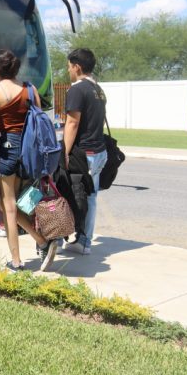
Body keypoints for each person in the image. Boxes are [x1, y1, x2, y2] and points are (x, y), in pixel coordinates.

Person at [0, 49, 58, 272]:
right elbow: (38, 118)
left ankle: (17, 260)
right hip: (30, 149)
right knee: (14, 203)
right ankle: (43, 240)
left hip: (8, 148)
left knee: (8, 205)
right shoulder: (30, 88)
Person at [63, 48, 108, 256]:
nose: (68, 70)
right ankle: (83, 239)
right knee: (91, 196)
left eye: (69, 66)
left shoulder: (77, 89)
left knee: (82, 197)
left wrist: (64, 151)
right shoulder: (98, 89)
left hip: (85, 154)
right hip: (99, 151)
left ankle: (83, 241)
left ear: (77, 66)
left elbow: (72, 123)